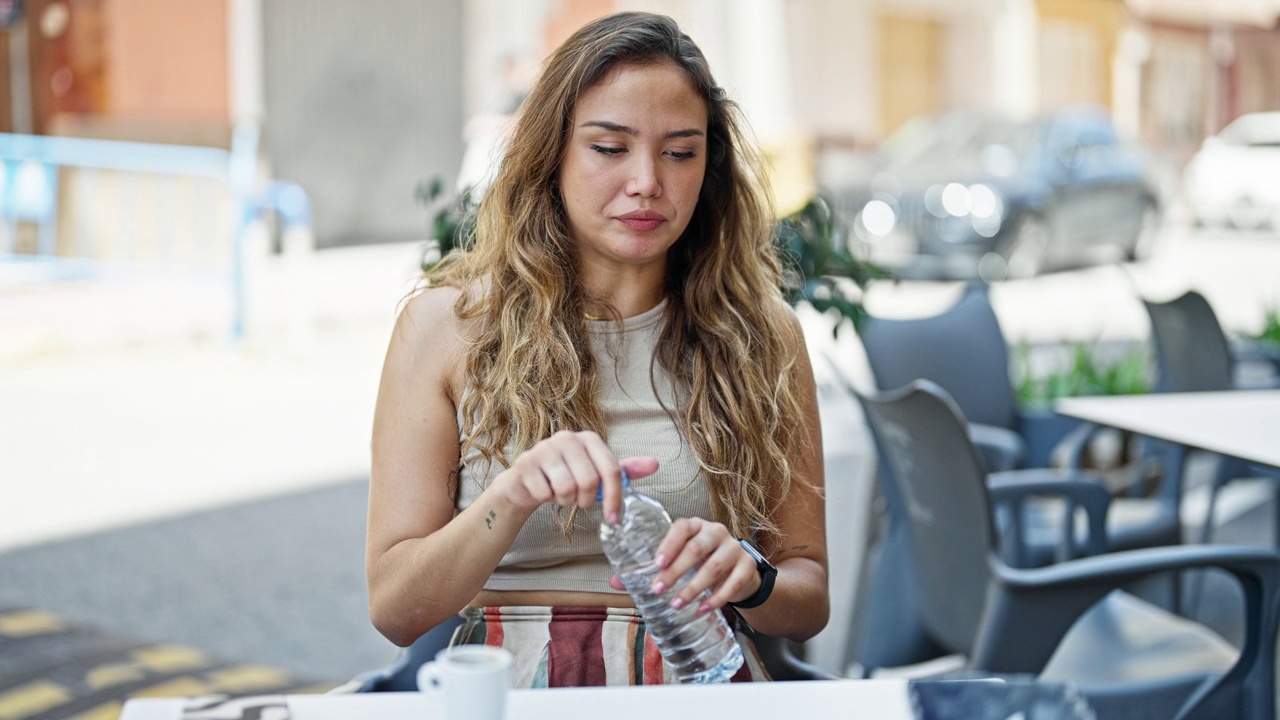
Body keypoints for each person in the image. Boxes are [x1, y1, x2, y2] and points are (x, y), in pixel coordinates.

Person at [366, 11, 827, 688]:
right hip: (502, 689)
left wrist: (752, 580)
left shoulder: (763, 333)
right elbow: (395, 609)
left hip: (698, 680)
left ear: (710, 166)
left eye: (680, 152)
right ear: (551, 153)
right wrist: (513, 493)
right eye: (610, 148)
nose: (647, 180)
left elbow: (808, 598)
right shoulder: (446, 327)